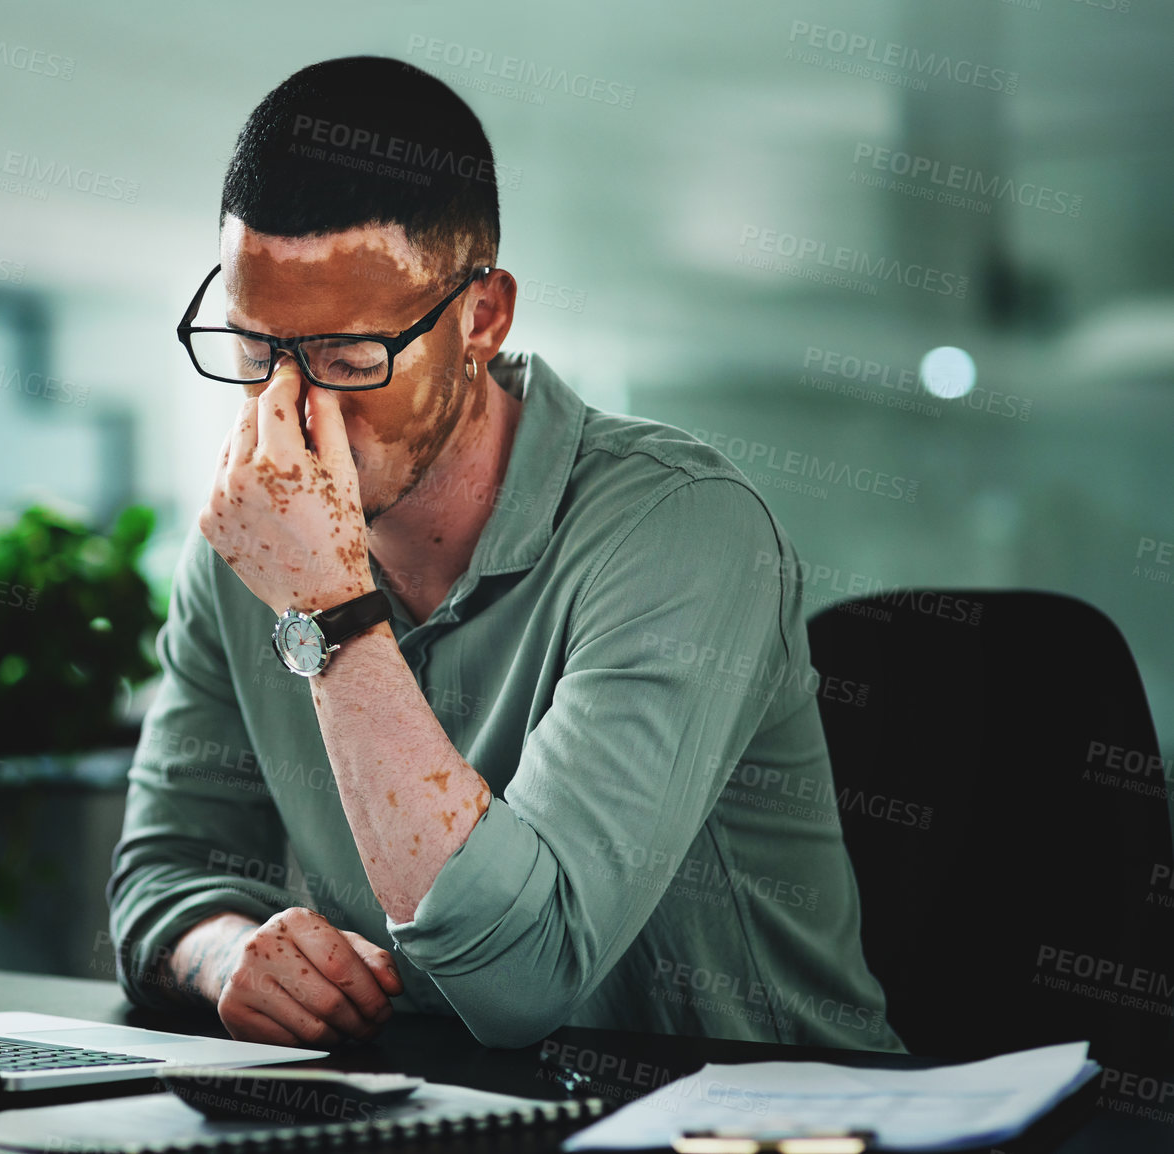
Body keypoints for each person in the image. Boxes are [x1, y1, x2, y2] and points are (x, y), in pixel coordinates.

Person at [106, 55, 902, 1053]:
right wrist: (225, 954)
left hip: (744, 1116)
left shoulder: (684, 529)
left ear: (480, 318)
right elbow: (158, 873)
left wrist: (331, 611)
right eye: (254, 350)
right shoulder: (245, 549)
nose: (287, 410)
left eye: (351, 360)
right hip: (428, 1110)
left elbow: (527, 976)